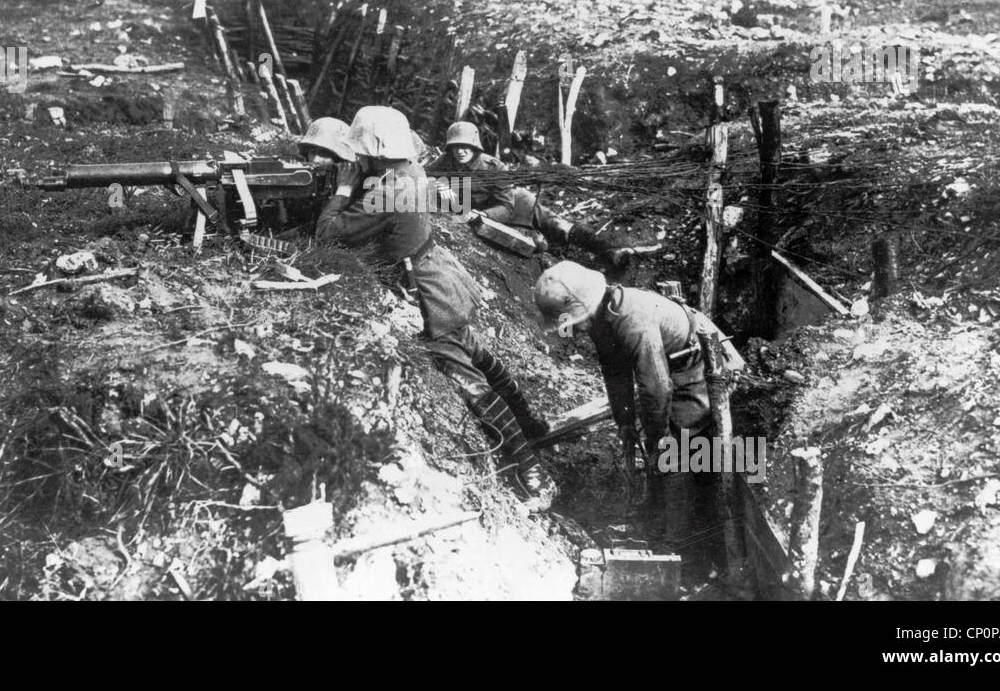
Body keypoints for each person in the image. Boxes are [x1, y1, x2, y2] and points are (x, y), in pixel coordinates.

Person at [316, 106, 557, 510]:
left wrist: (342, 191)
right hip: (439, 273)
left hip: (425, 290)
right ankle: (531, 423)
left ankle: (532, 471)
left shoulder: (391, 189)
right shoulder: (409, 172)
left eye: (360, 152)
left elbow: (329, 235)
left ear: (374, 151)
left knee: (464, 374)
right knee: (473, 348)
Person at [531, 261, 744, 558]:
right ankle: (660, 511)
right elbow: (614, 369)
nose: (575, 330)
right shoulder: (602, 316)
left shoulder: (633, 322)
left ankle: (679, 541)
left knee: (676, 449)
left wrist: (658, 438)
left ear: (586, 307)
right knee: (661, 443)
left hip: (702, 364)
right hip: (672, 364)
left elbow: (656, 387)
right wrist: (626, 420)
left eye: (574, 322)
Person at [426, 122, 635, 267]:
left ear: (475, 147)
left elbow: (506, 208)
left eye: (466, 147)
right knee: (535, 244)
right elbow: (421, 176)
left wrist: (483, 216)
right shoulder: (443, 163)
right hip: (486, 219)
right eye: (456, 147)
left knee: (558, 227)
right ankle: (539, 241)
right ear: (449, 148)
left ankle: (609, 249)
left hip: (515, 205)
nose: (461, 152)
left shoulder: (493, 167)